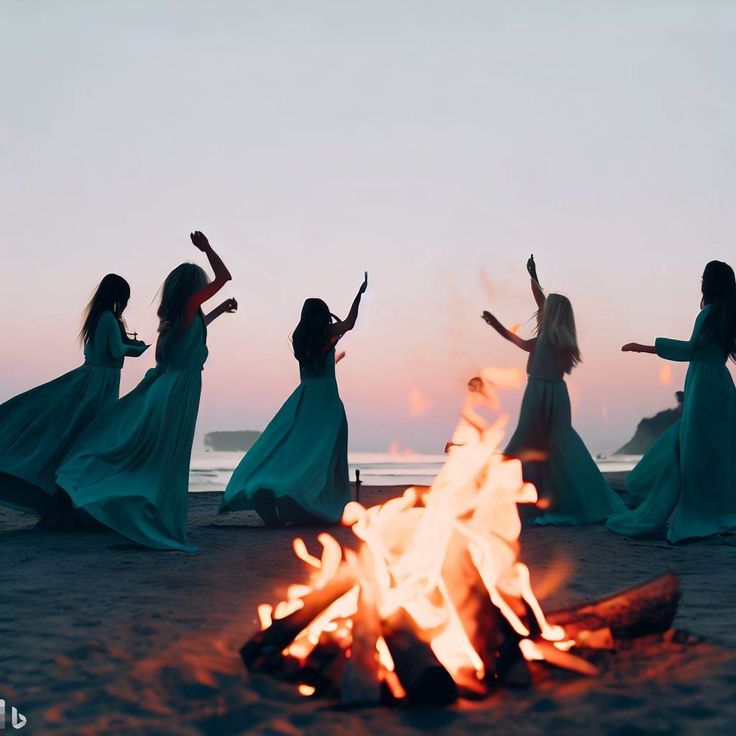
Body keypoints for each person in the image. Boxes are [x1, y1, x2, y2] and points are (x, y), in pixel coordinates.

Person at [57, 232, 236, 551]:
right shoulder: (187, 308)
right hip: (178, 389)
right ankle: (154, 518)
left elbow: (201, 323)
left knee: (165, 454)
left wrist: (221, 308)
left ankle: (158, 516)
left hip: (177, 386)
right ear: (193, 290)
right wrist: (208, 248)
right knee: (166, 455)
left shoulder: (185, 315)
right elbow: (225, 277)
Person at [482, 255, 624, 525]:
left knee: (529, 441)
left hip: (539, 392)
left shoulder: (551, 337)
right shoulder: (559, 337)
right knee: (556, 443)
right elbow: (539, 305)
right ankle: (545, 495)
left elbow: (525, 337)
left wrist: (497, 323)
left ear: (553, 314)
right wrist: (533, 277)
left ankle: (503, 495)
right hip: (556, 393)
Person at [219, 273, 368, 526]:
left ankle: (274, 485)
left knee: (293, 448)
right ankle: (301, 495)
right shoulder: (327, 334)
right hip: (327, 403)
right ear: (324, 315)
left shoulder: (301, 340)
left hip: (304, 398)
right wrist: (359, 294)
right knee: (324, 454)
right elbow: (350, 323)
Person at [0, 274, 147, 521]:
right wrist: (137, 349)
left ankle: (67, 504)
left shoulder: (97, 318)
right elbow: (115, 351)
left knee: (77, 436)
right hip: (98, 384)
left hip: (96, 380)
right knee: (88, 437)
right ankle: (73, 504)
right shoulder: (109, 318)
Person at [608, 260, 736, 542]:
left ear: (709, 283)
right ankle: (722, 510)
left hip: (703, 382)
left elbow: (691, 350)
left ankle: (694, 509)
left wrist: (646, 347)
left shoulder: (709, 313)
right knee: (718, 451)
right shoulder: (729, 316)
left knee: (694, 450)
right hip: (722, 385)